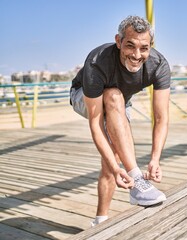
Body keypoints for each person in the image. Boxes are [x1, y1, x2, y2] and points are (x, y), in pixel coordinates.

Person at [69, 15, 171, 226]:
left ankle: (100, 220)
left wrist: (155, 159)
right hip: (85, 97)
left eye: (144, 48)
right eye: (130, 46)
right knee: (113, 94)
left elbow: (161, 118)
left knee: (114, 156)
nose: (136, 55)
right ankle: (137, 180)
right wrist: (120, 168)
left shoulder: (158, 65)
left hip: (120, 103)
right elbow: (96, 123)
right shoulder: (98, 61)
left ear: (150, 46)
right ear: (118, 41)